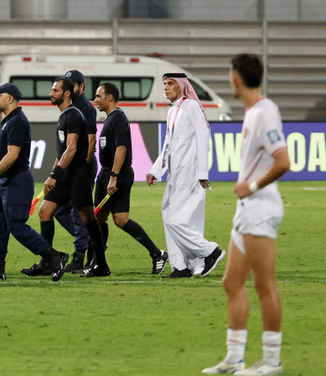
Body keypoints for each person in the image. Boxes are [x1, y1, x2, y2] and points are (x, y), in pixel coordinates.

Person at [202, 54, 289, 376]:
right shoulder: (255, 112)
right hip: (247, 210)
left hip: (260, 209)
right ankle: (234, 357)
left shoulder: (265, 113)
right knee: (231, 281)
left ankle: (271, 361)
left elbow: (283, 161)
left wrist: (250, 185)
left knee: (264, 285)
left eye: (229, 74)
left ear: (236, 79)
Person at [0, 83, 68, 282]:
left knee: (16, 226)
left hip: (17, 181)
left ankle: (54, 257)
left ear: (10, 98)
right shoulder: (9, 120)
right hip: (5, 181)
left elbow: (12, 155)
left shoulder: (17, 120)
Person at [146, 72, 224, 278]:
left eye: (171, 83)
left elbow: (203, 137)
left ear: (183, 85)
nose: (166, 87)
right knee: (167, 216)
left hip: (190, 172)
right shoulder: (172, 111)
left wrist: (202, 172)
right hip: (174, 173)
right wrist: (156, 169)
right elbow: (167, 144)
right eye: (164, 84)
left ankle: (210, 251)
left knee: (175, 220)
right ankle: (180, 266)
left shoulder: (192, 106)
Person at [36, 77, 109, 281]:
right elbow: (61, 153)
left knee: (86, 217)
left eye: (55, 90)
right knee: (45, 211)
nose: (51, 93)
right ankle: (48, 260)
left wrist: (55, 175)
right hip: (64, 174)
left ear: (66, 93)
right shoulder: (64, 116)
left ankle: (101, 263)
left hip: (77, 175)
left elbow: (72, 148)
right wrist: (52, 174)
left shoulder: (74, 116)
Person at [93, 83, 169, 274]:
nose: (95, 100)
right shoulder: (110, 119)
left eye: (98, 96)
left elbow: (122, 148)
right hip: (106, 173)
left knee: (120, 219)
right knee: (99, 217)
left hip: (118, 174)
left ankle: (157, 253)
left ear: (110, 97)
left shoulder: (118, 118)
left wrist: (113, 177)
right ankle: (98, 262)